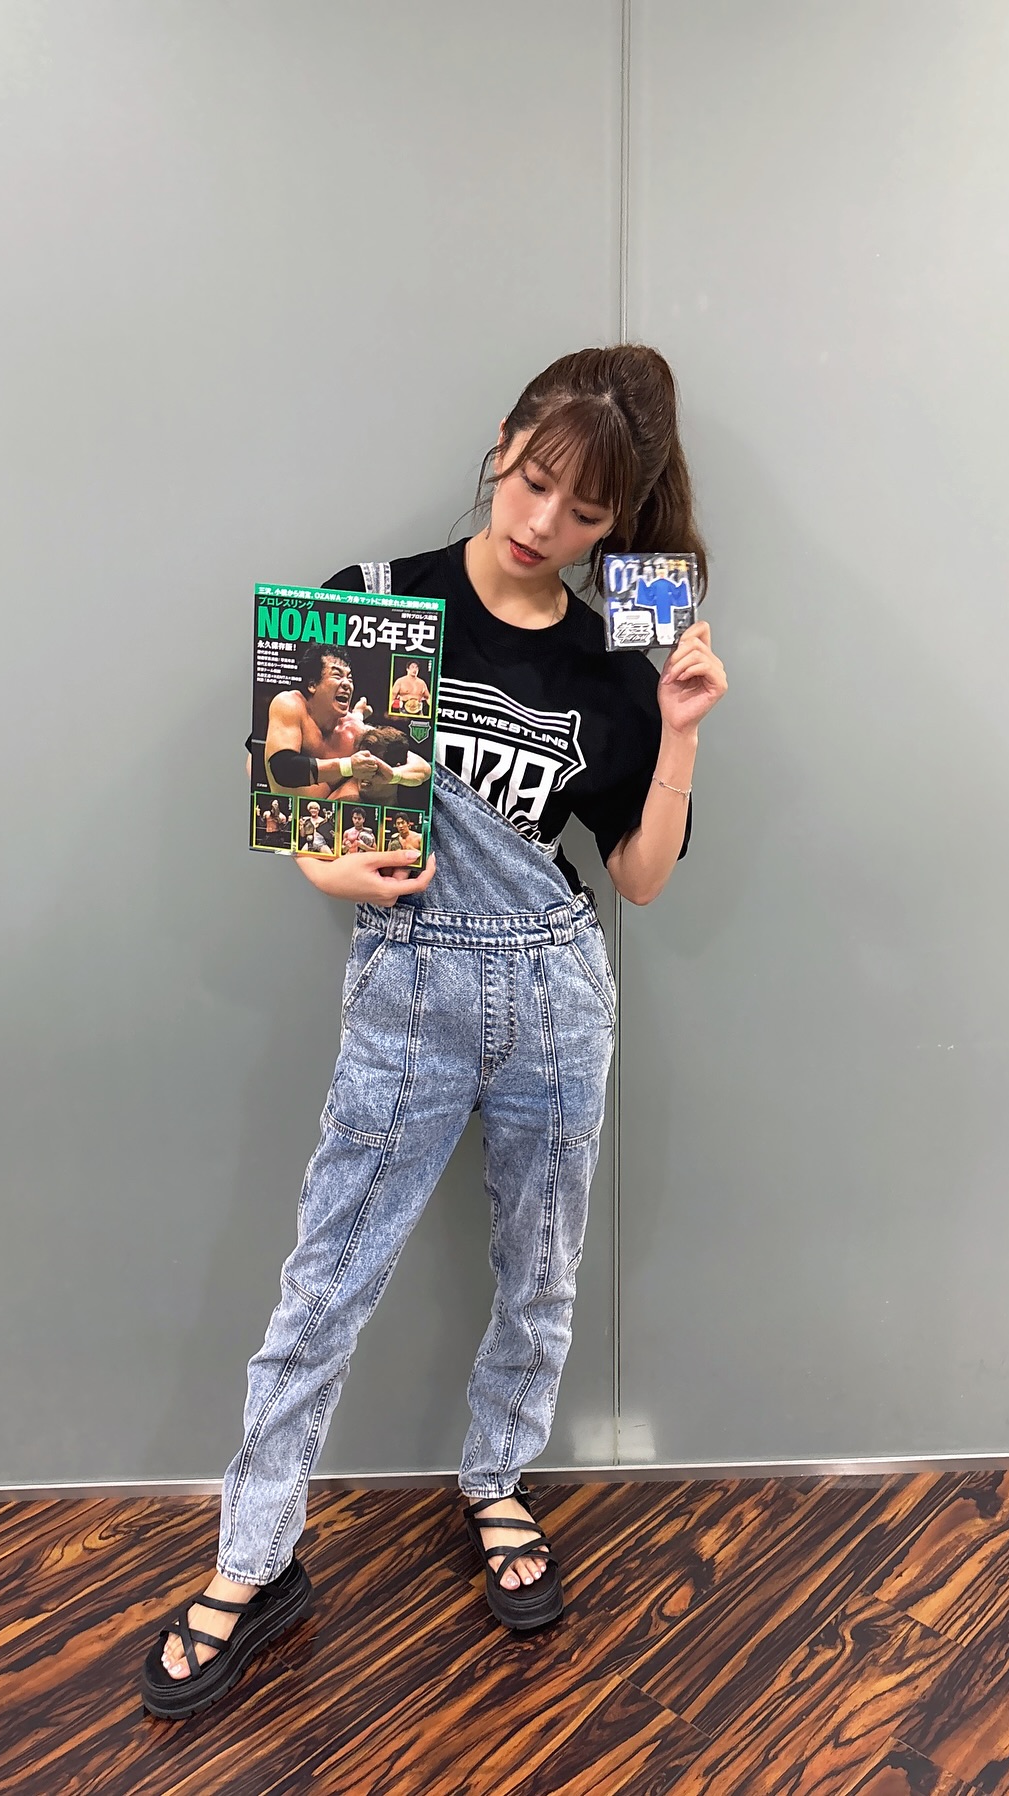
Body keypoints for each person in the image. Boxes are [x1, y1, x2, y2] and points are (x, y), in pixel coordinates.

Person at [141, 344, 728, 1720]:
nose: (543, 522)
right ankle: (253, 1556)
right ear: (505, 441)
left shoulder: (615, 658)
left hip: (557, 992)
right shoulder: (377, 602)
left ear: (617, 524)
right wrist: (330, 867)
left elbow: (640, 879)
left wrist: (683, 730)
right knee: (327, 1276)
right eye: (532, 479)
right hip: (409, 989)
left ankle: (496, 1480)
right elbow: (307, 813)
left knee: (541, 1269)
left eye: (586, 511)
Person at [261, 645, 386, 799]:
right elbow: (283, 768)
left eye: (350, 678)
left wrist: (395, 775)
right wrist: (347, 766)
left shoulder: (354, 729)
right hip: (287, 810)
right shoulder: (290, 704)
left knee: (359, 786)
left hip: (332, 811)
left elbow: (411, 762)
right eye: (337, 676)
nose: (346, 684)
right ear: (312, 685)